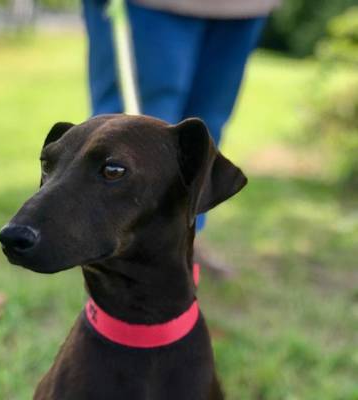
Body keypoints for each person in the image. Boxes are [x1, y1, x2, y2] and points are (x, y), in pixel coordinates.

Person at [82, 0, 280, 276]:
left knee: (205, 129)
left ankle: (181, 242)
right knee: (133, 128)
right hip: (149, 5)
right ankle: (114, 249)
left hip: (243, 7)